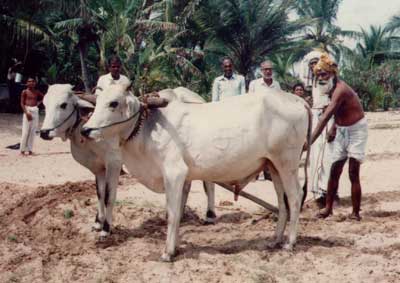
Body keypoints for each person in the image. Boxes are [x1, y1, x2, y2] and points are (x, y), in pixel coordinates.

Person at [305, 53, 367, 221]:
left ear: (333, 74)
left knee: (353, 172)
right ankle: (328, 208)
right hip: (341, 128)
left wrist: (308, 142)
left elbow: (325, 116)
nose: (321, 78)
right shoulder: (329, 89)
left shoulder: (340, 89)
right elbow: (337, 112)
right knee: (334, 170)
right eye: (318, 75)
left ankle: (355, 213)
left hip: (356, 130)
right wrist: (335, 127)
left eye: (324, 74)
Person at [301, 50, 335, 207]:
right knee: (315, 155)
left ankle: (329, 191)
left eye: (316, 63)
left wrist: (333, 126)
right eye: (312, 65)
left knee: (328, 155)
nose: (315, 67)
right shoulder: (314, 82)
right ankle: (318, 192)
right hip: (316, 117)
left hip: (327, 117)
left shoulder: (330, 80)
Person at [20, 77, 44, 155]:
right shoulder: (25, 91)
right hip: (28, 110)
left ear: (35, 83)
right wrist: (26, 112)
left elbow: (44, 97)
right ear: (27, 83)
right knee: (25, 131)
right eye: (29, 81)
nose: (31, 83)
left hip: (35, 110)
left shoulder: (36, 92)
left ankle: (30, 149)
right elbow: (22, 103)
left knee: (33, 131)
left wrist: (38, 104)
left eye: (33, 81)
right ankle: (22, 150)